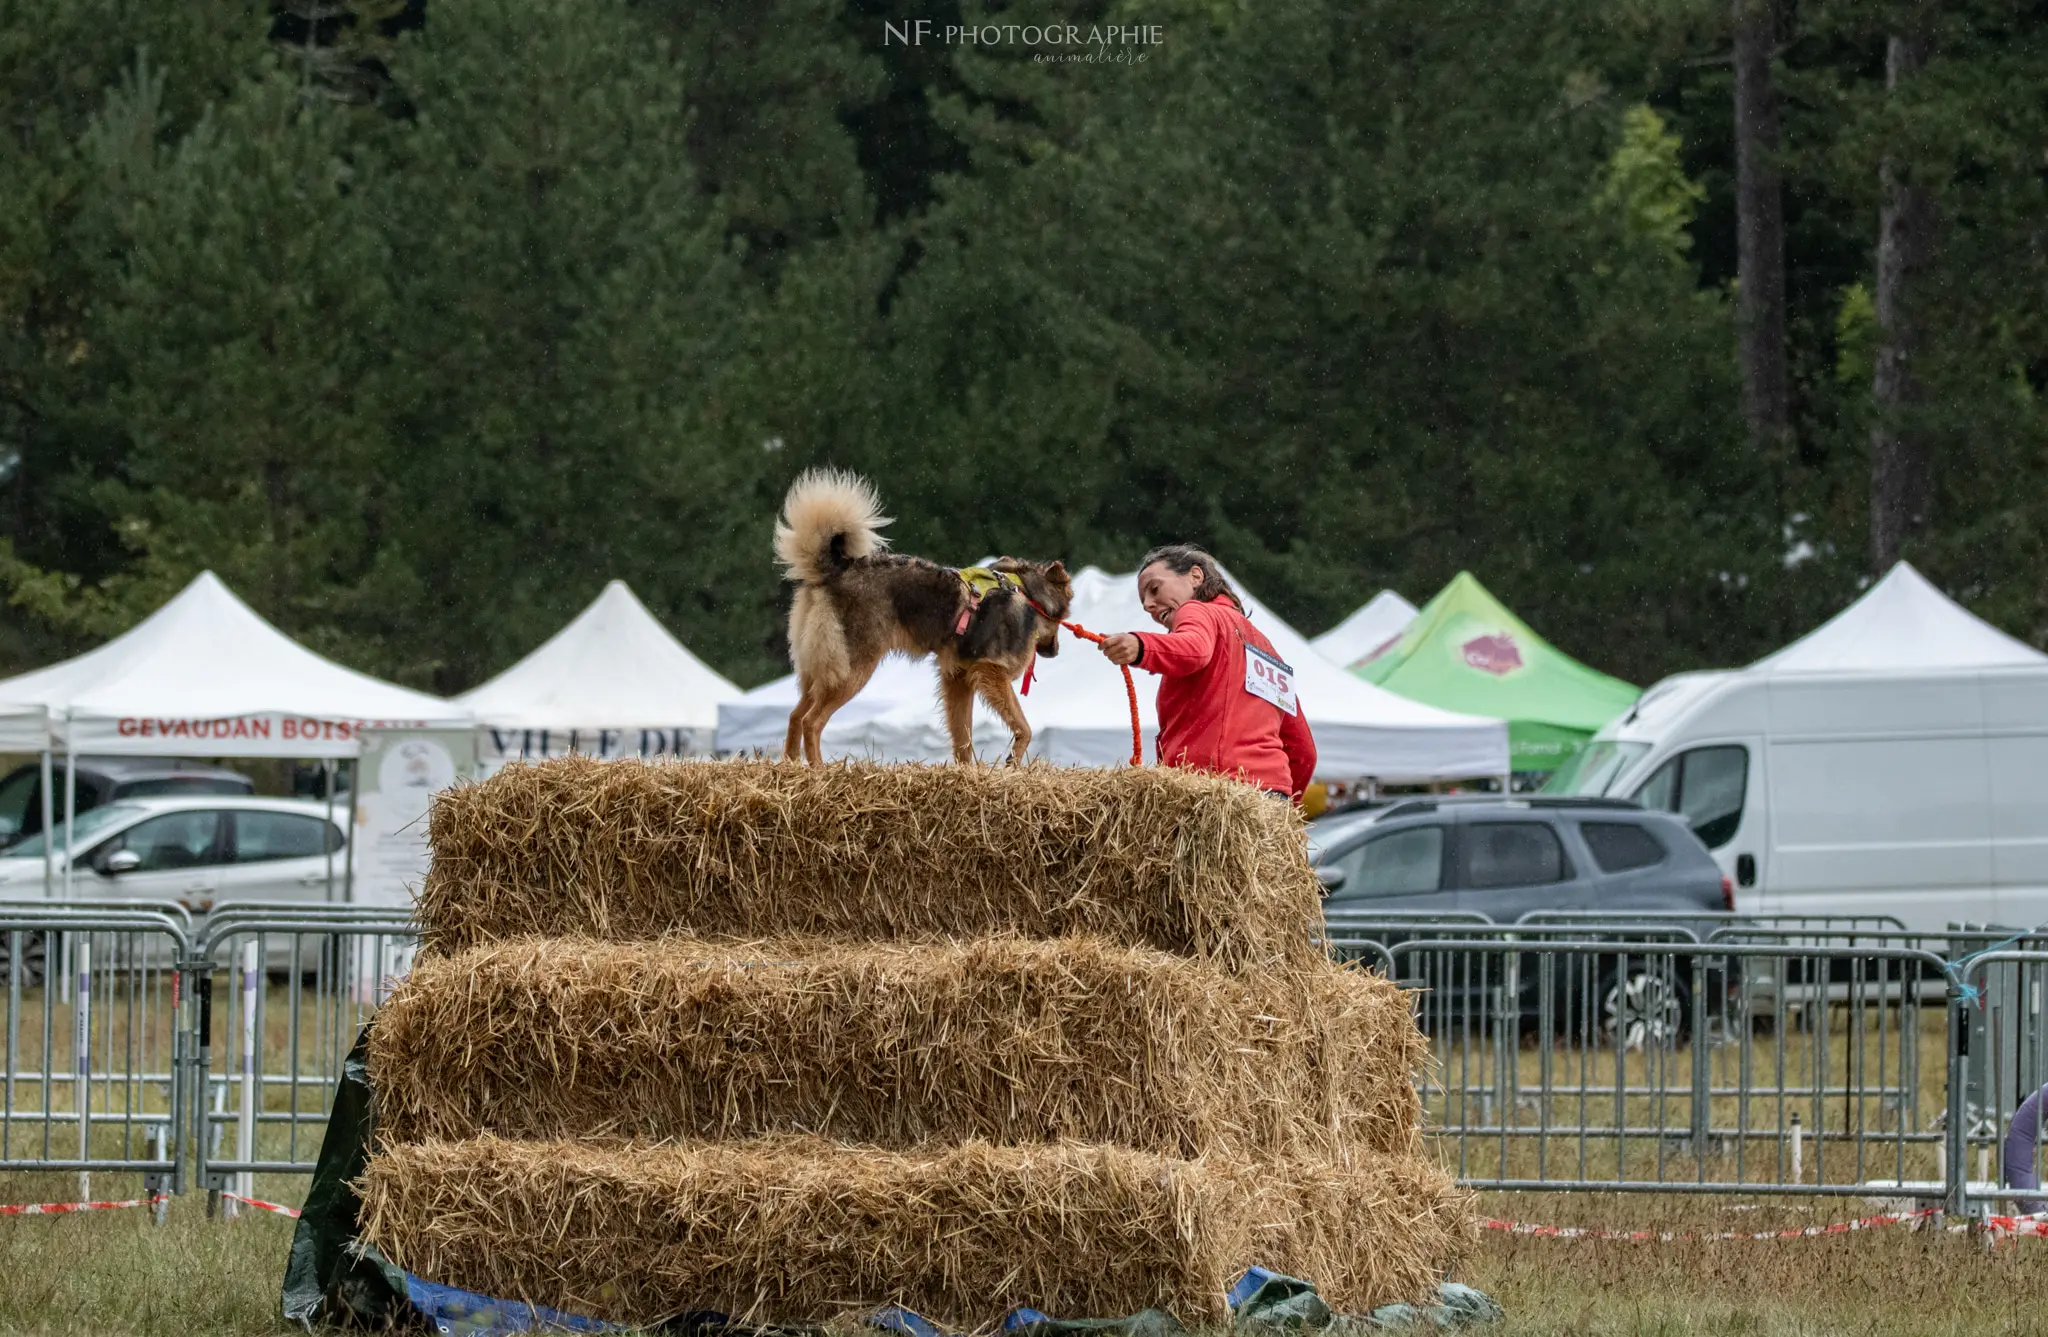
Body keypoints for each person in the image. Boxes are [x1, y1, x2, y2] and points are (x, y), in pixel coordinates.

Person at [1098, 544, 1317, 801]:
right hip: (1269, 799)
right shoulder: (1266, 649)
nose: (1148, 605)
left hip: (1213, 793)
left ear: (1196, 576)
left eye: (1155, 589)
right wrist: (1285, 810)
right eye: (1144, 601)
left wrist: (1140, 647)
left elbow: (1194, 650)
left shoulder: (1195, 610)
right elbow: (1303, 750)